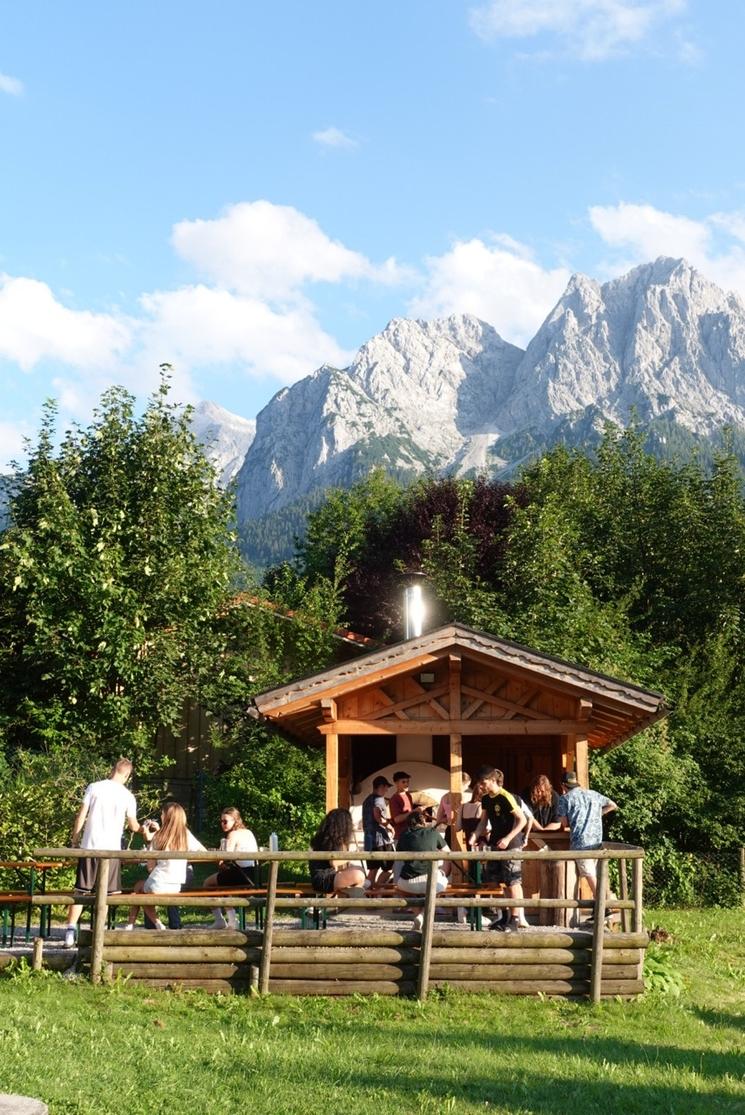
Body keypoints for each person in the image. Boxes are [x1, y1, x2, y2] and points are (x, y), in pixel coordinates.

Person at [64, 758, 143, 948]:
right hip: (112, 850)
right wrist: (144, 830)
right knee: (107, 894)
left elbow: (81, 814)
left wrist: (75, 840)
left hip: (89, 846)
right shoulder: (127, 796)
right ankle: (99, 932)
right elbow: (133, 826)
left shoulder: (94, 787)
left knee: (81, 890)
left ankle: (70, 930)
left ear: (113, 769)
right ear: (127, 775)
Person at [123, 802, 201, 930]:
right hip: (176, 885)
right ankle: (135, 924)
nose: (161, 816)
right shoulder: (185, 835)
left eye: (162, 814)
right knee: (142, 892)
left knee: (138, 889)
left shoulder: (159, 836)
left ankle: (153, 923)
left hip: (159, 881)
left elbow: (150, 867)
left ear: (166, 817)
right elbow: (202, 852)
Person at [468, 766, 527, 933]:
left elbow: (522, 820)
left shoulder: (506, 796)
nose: (482, 786)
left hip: (512, 844)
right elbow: (483, 821)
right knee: (497, 882)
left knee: (512, 881)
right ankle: (505, 915)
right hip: (495, 843)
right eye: (480, 783)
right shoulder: (486, 799)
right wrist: (475, 834)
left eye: (484, 783)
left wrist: (508, 838)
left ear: (493, 780)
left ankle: (515, 920)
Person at [556, 771, 618, 906]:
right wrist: (597, 815)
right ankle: (599, 908)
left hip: (580, 842)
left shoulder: (564, 799)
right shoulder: (593, 794)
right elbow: (613, 805)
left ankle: (604, 907)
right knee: (593, 874)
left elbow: (564, 823)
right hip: (596, 841)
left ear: (563, 786)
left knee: (590, 876)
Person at [203, 806, 258, 929]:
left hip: (240, 875)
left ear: (235, 820)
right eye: (221, 821)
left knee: (208, 884)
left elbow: (226, 856)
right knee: (222, 880)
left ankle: (224, 920)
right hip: (252, 874)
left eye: (225, 821)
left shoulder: (233, 834)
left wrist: (217, 858)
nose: (222, 824)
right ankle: (231, 920)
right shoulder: (248, 832)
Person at [396, 809, 449, 931]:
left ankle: (418, 913)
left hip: (407, 882)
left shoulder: (404, 835)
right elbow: (448, 853)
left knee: (400, 888)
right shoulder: (432, 832)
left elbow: (398, 855)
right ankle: (423, 914)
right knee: (443, 884)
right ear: (423, 821)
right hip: (430, 880)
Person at [309, 809, 366, 896]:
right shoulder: (329, 840)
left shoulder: (327, 837)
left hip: (327, 877)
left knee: (360, 870)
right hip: (323, 880)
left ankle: (350, 893)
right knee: (359, 875)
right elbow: (334, 862)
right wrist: (354, 855)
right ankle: (350, 894)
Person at [362, 776, 395, 889]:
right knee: (390, 868)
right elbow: (377, 815)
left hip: (369, 840)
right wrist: (389, 825)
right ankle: (376, 891)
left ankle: (368, 895)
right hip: (381, 839)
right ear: (381, 786)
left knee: (373, 870)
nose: (387, 790)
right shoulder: (379, 799)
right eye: (386, 787)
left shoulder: (367, 800)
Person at [435, 773, 471, 847]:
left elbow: (439, 819)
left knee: (448, 856)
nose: (467, 788)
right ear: (461, 784)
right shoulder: (463, 797)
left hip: (449, 829)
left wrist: (448, 820)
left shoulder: (444, 797)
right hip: (461, 830)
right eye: (467, 785)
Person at [389, 771, 415, 843]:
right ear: (396, 783)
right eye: (403, 782)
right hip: (401, 836)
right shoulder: (394, 799)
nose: (406, 784)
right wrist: (414, 812)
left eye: (407, 782)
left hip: (411, 834)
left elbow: (410, 815)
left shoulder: (408, 795)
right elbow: (396, 819)